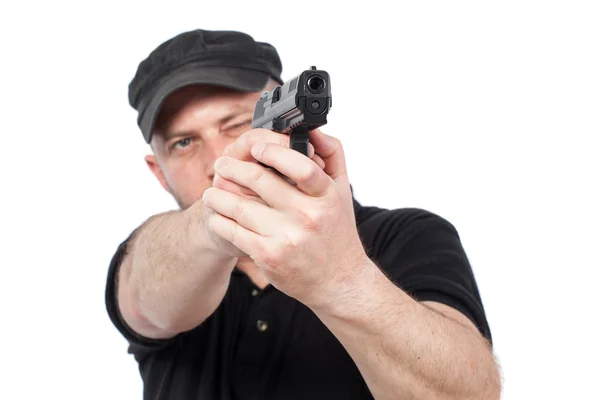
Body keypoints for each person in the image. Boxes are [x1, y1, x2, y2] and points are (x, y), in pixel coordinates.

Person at [105, 28, 501, 400]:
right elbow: (142, 297)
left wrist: (344, 279)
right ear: (158, 172)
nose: (216, 159)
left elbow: (470, 393)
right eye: (184, 142)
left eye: (237, 124)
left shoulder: (407, 235)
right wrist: (215, 223)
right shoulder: (159, 257)